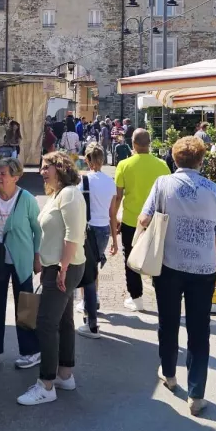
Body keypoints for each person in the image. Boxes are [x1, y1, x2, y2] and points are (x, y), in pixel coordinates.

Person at [139, 137, 216, 416]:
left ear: (174, 159)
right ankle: (197, 394)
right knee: (200, 330)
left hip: (169, 263)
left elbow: (144, 219)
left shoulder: (163, 184)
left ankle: (169, 374)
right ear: (201, 161)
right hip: (203, 269)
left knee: (168, 321)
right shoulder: (214, 190)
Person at [17, 152, 86, 406]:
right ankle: (64, 374)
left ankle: (46, 384)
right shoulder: (59, 194)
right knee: (63, 321)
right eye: (42, 167)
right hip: (58, 266)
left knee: (46, 324)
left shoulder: (69, 194)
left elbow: (73, 234)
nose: (42, 171)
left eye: (47, 167)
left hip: (61, 268)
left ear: (61, 168)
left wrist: (62, 268)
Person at [0, 158, 42, 370]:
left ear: (16, 177)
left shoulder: (27, 199)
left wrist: (37, 256)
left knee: (25, 306)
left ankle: (30, 351)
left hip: (21, 259)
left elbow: (38, 230)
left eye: (3, 174)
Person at [114, 129, 170, 311]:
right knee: (158, 257)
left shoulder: (124, 164)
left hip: (131, 219)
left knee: (131, 259)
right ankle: (162, 296)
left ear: (133, 143)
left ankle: (136, 297)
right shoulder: (162, 165)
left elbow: (118, 196)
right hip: (156, 220)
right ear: (150, 142)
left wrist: (115, 217)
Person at [76, 144, 119, 338]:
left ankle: (88, 310)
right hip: (103, 230)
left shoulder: (83, 181)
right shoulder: (110, 181)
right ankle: (94, 299)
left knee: (86, 271)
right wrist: (115, 240)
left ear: (87, 159)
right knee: (93, 269)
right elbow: (112, 213)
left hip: (87, 228)